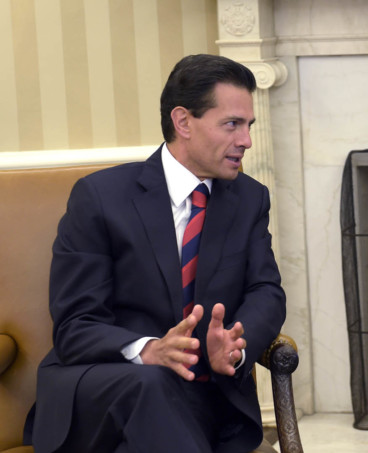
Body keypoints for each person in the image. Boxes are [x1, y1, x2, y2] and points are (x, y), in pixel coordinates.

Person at [23, 54, 286, 453]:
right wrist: (149, 350)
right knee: (152, 382)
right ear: (183, 122)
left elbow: (266, 290)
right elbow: (76, 325)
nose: (246, 140)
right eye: (232, 124)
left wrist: (237, 344)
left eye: (249, 126)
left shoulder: (249, 200)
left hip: (203, 400)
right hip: (109, 389)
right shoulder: (101, 197)